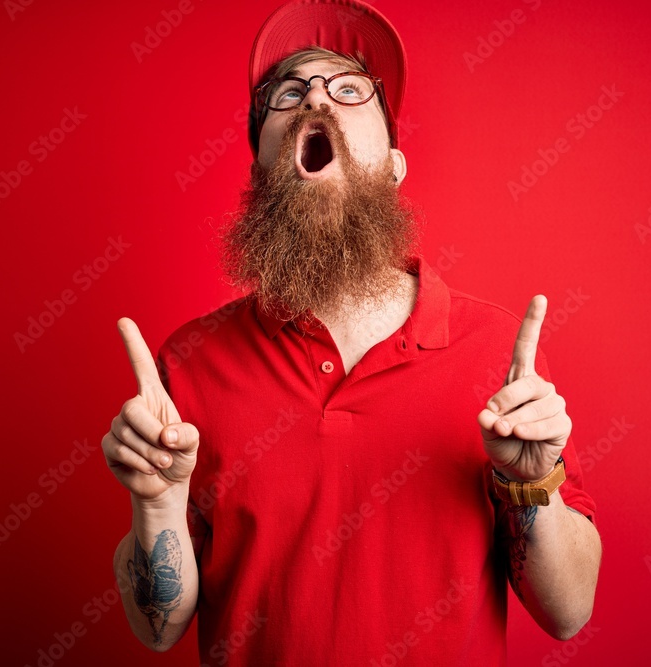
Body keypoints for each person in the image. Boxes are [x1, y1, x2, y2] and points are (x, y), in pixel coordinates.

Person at [104, 1, 601, 664]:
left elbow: (568, 613)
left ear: (394, 165)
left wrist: (531, 485)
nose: (315, 97)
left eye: (348, 89)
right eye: (288, 92)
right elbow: (157, 627)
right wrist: (159, 504)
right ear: (260, 173)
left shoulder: (494, 351)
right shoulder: (191, 361)